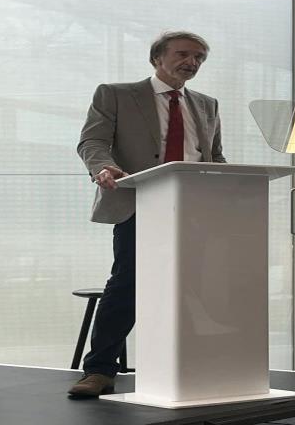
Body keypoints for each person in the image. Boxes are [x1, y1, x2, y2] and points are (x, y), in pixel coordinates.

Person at [68, 31, 226, 397]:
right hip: (139, 203)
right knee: (128, 284)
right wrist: (102, 167)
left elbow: (214, 156)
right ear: (157, 58)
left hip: (193, 207)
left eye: (199, 58)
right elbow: (92, 141)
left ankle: (191, 368)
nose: (192, 62)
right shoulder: (116, 94)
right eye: (183, 54)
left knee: (194, 287)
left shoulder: (207, 104)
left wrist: (225, 186)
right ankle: (100, 371)